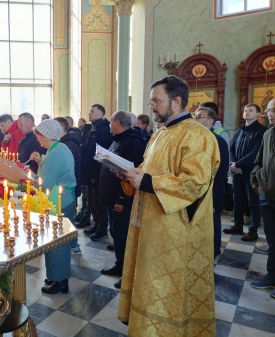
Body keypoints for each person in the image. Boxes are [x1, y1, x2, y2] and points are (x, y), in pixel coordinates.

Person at [117, 76, 220, 335]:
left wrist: (147, 181)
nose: (151, 106)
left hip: (175, 233)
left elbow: (195, 183)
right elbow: (149, 170)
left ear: (176, 101)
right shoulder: (159, 134)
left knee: (167, 290)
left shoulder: (198, 136)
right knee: (148, 283)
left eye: (156, 100)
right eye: (151, 101)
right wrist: (129, 173)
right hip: (150, 226)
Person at [29, 119, 77, 294]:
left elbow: (45, 184)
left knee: (56, 242)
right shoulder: (59, 148)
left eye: (39, 136)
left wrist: (27, 182)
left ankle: (60, 281)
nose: (38, 140)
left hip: (59, 203)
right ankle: (56, 276)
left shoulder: (55, 154)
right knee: (57, 241)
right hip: (64, 200)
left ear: (47, 136)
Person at [99, 110, 145, 289]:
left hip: (122, 199)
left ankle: (128, 273)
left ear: (117, 122)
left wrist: (121, 200)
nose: (110, 125)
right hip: (112, 197)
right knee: (116, 234)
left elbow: (132, 175)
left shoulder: (133, 142)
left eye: (111, 122)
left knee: (124, 236)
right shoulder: (119, 139)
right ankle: (119, 265)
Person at [224, 103, 266, 241]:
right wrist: (233, 163)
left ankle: (253, 230)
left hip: (251, 172)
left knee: (253, 202)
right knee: (238, 201)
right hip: (237, 171)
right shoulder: (239, 131)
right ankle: (238, 226)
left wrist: (238, 164)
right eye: (245, 110)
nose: (246, 113)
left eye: (250, 111)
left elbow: (256, 152)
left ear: (258, 114)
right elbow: (232, 149)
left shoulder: (261, 131)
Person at [194, 106, 229, 258]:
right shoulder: (195, 138)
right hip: (196, 189)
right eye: (195, 115)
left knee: (212, 221)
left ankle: (214, 250)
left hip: (212, 190)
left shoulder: (218, 140)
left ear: (210, 121)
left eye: (199, 116)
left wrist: (215, 199)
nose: (195, 118)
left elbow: (221, 172)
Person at [250, 98, 275, 299]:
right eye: (268, 110)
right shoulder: (267, 134)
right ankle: (271, 275)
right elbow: (258, 161)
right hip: (267, 195)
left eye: (272, 110)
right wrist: (255, 179)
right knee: (272, 239)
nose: (268, 114)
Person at [81, 104, 113, 241]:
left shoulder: (104, 130)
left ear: (100, 114)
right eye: (90, 111)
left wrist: (95, 174)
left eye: (92, 111)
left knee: (98, 201)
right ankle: (96, 224)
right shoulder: (92, 128)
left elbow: (101, 154)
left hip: (97, 173)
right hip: (89, 171)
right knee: (91, 200)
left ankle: (102, 228)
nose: (89, 113)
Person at [54, 117, 82, 254]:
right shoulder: (63, 143)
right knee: (68, 217)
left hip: (69, 187)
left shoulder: (68, 144)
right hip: (68, 186)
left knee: (69, 218)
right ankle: (73, 244)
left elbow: (67, 167)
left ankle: (74, 244)